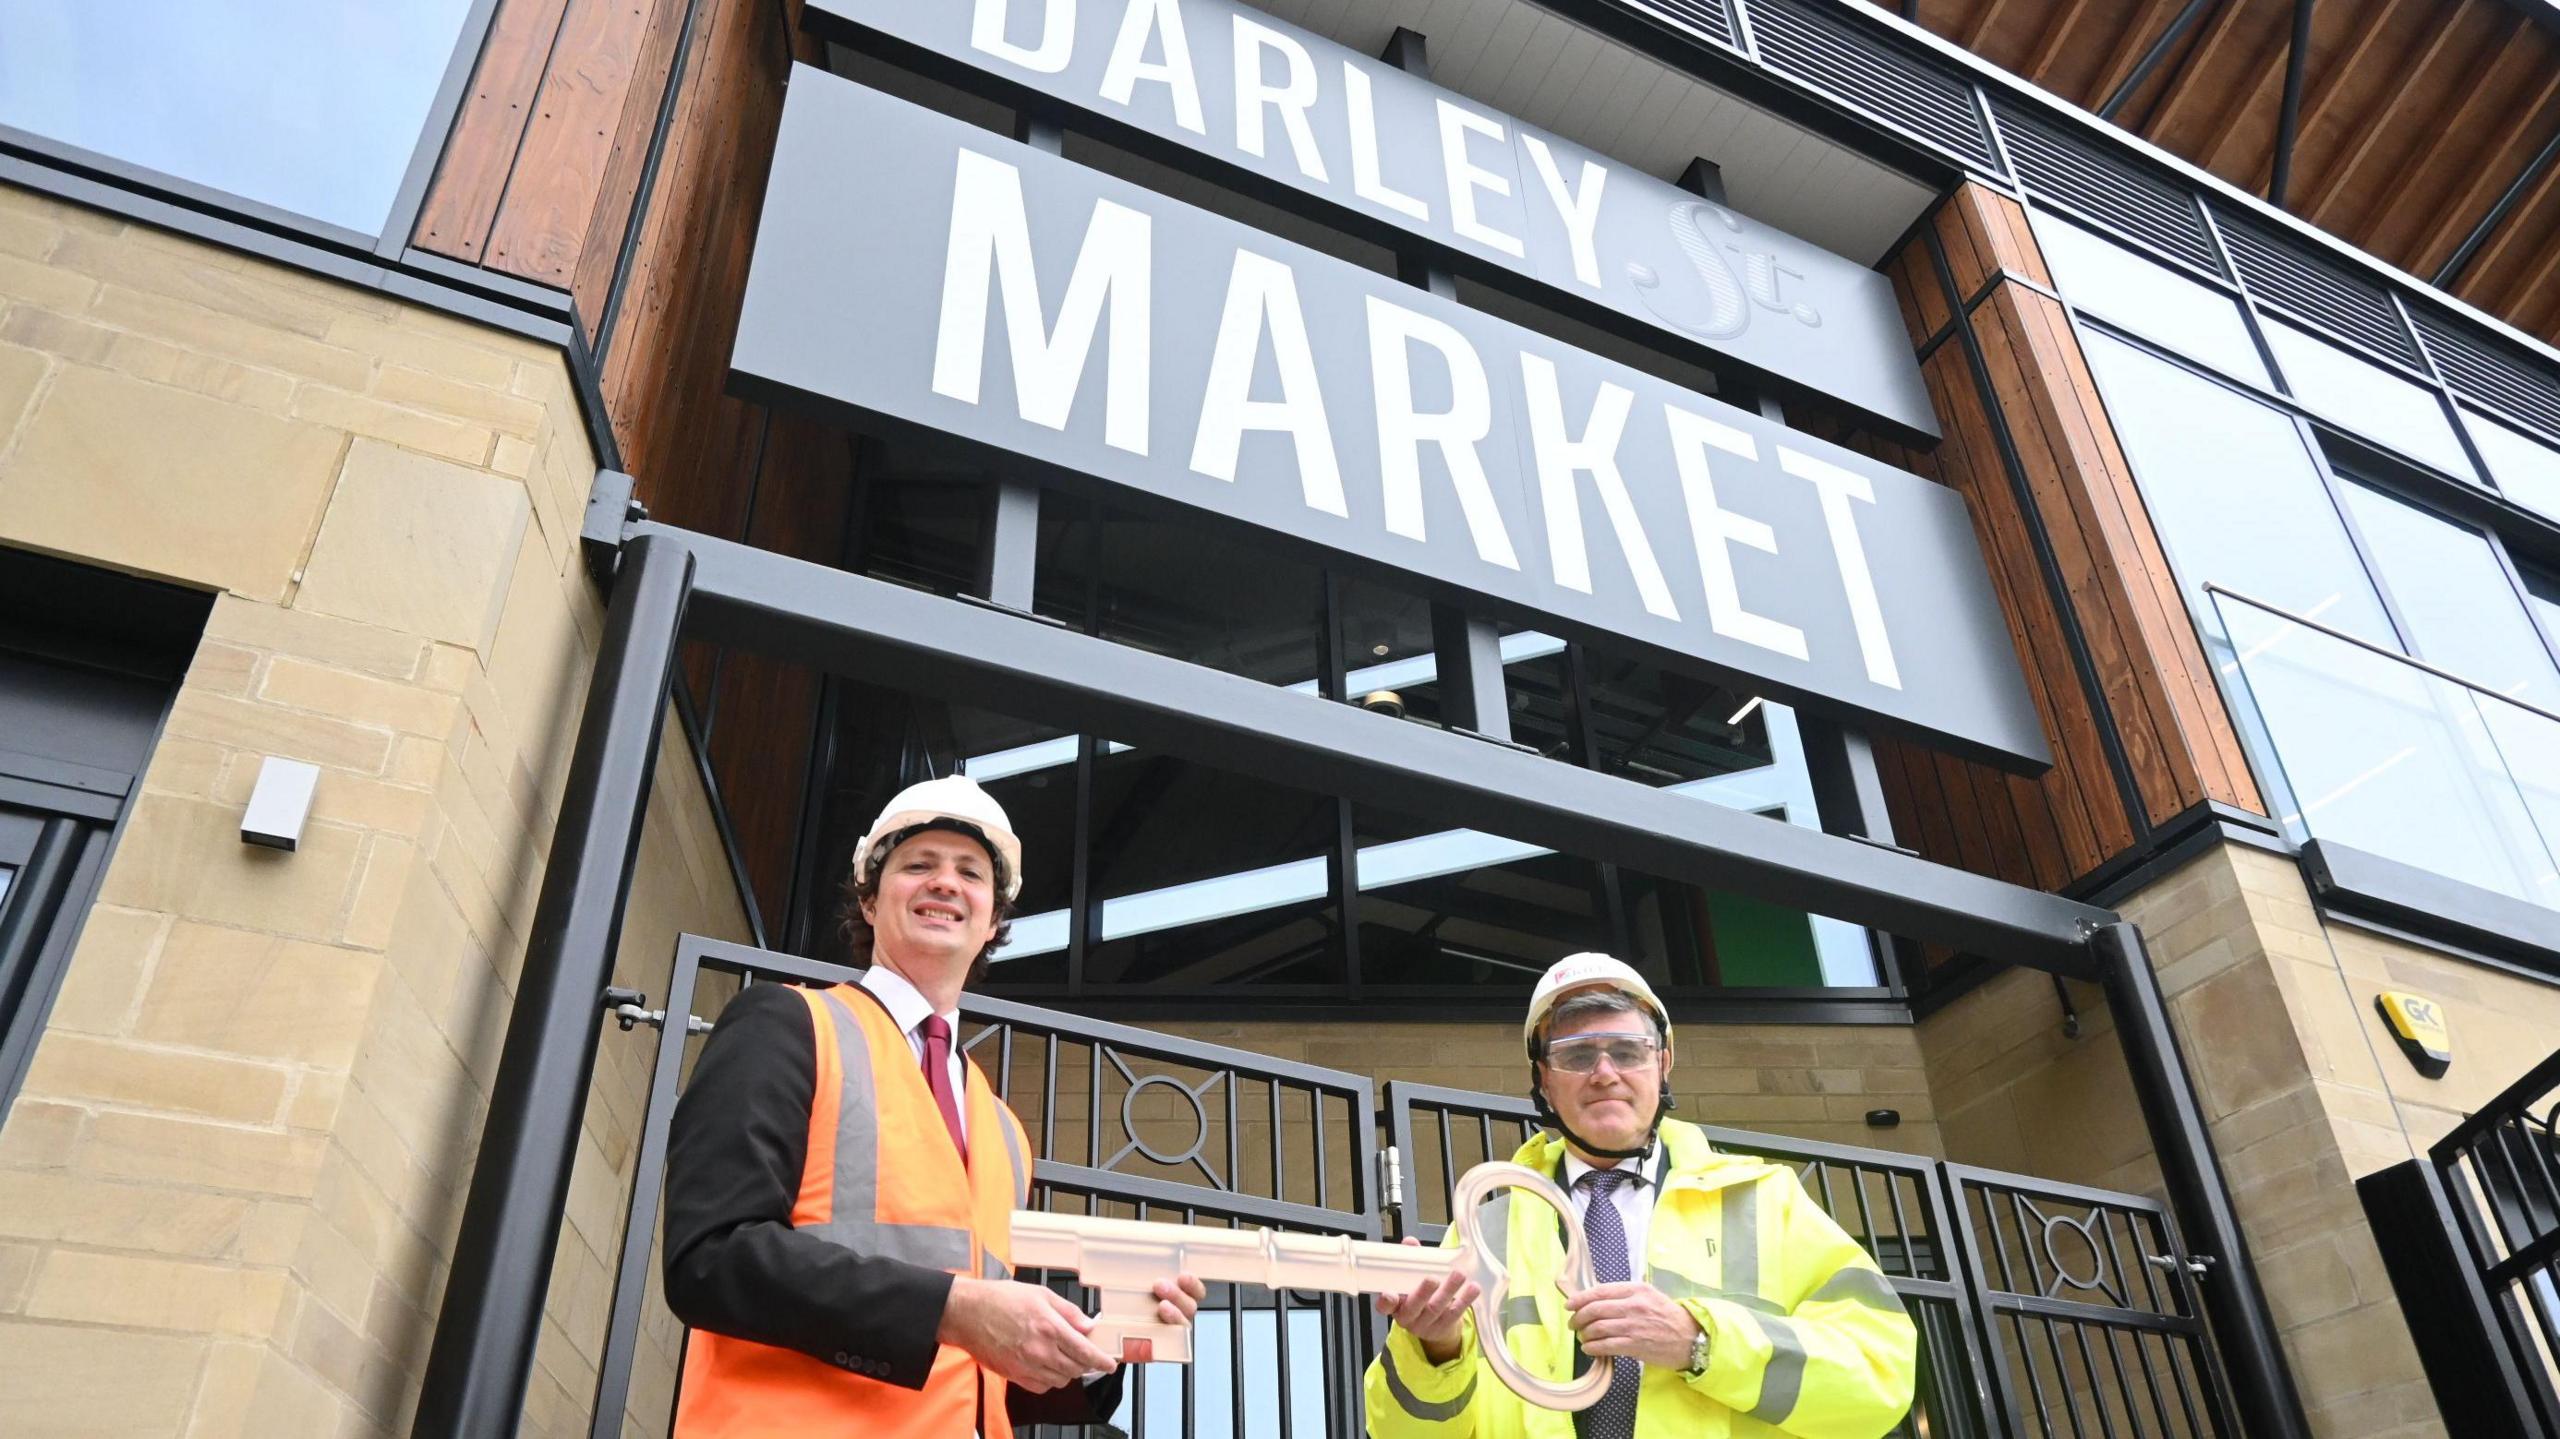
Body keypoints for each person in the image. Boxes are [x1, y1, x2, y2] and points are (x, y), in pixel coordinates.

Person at [663, 774, 1204, 1436]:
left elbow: (983, 1373)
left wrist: (1102, 1342)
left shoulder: (1004, 1131)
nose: (945, 882)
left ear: (994, 920)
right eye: (919, 864)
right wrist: (953, 1307)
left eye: (970, 873)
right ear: (868, 899)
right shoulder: (789, 1023)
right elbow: (709, 1257)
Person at [1366, 953, 1916, 1439]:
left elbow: (1881, 1382)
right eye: (1576, 1056)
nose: (1604, 1073)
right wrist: (1434, 1350)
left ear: (1662, 1064)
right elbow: (1400, 1432)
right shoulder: (1486, 1224)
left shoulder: (1765, 1201)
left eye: (1628, 1051)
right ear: (1544, 1080)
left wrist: (1701, 1343)